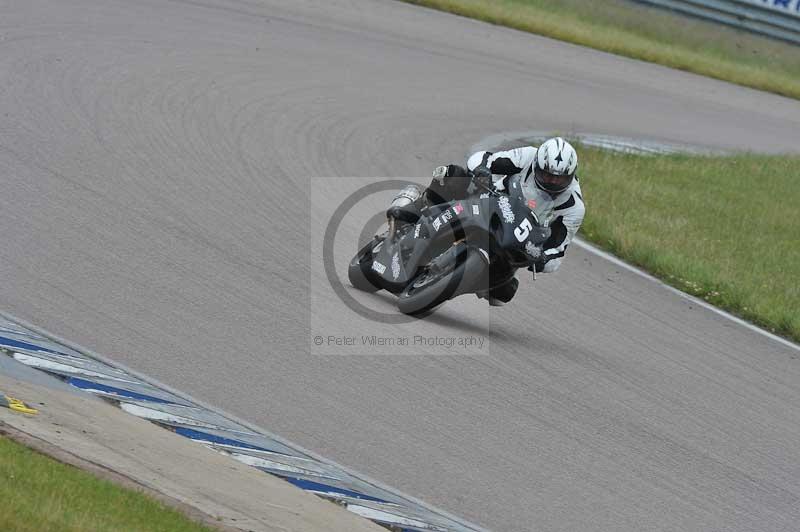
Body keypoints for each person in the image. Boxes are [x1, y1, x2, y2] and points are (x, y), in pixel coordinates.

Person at [387, 137, 585, 305]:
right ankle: (411, 210)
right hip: (490, 203)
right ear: (537, 166)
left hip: (513, 240)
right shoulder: (529, 156)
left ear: (571, 175)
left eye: (558, 179)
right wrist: (482, 170)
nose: (551, 181)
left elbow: (558, 251)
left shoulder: (573, 206)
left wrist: (542, 258)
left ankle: (446, 279)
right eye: (546, 175)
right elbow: (483, 158)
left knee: (502, 294)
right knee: (453, 176)